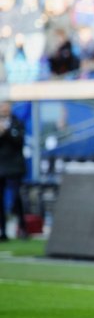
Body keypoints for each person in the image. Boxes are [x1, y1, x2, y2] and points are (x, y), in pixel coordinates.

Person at [0, 101, 27, 240]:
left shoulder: (17, 122)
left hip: (15, 166)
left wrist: (6, 132)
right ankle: (2, 230)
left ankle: (22, 227)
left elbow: (20, 141)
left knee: (16, 198)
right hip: (1, 166)